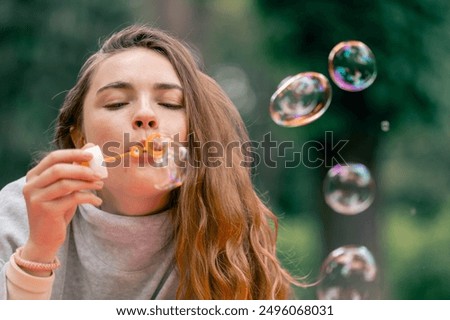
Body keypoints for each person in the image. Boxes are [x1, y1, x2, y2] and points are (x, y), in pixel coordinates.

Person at [0, 24, 299, 299]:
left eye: (169, 103)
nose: (146, 115)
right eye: (117, 102)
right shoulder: (19, 215)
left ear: (192, 135)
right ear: (80, 137)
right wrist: (37, 253)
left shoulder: (229, 228)